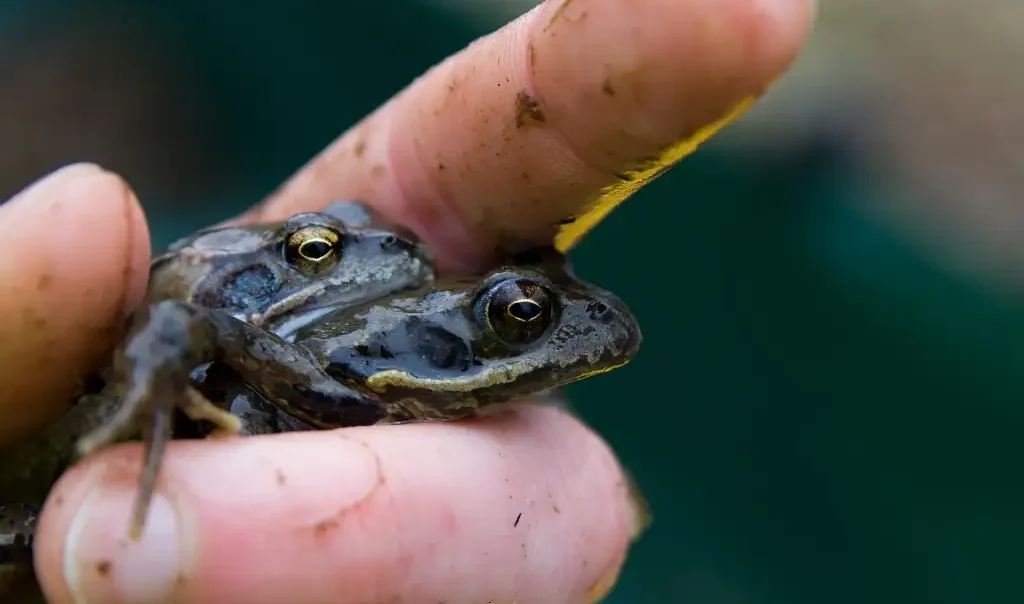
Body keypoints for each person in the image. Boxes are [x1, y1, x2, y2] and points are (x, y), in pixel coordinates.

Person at [0, 0, 813, 601]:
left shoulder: (341, 363)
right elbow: (187, 322)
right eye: (519, 316)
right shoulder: (246, 345)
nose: (394, 253)